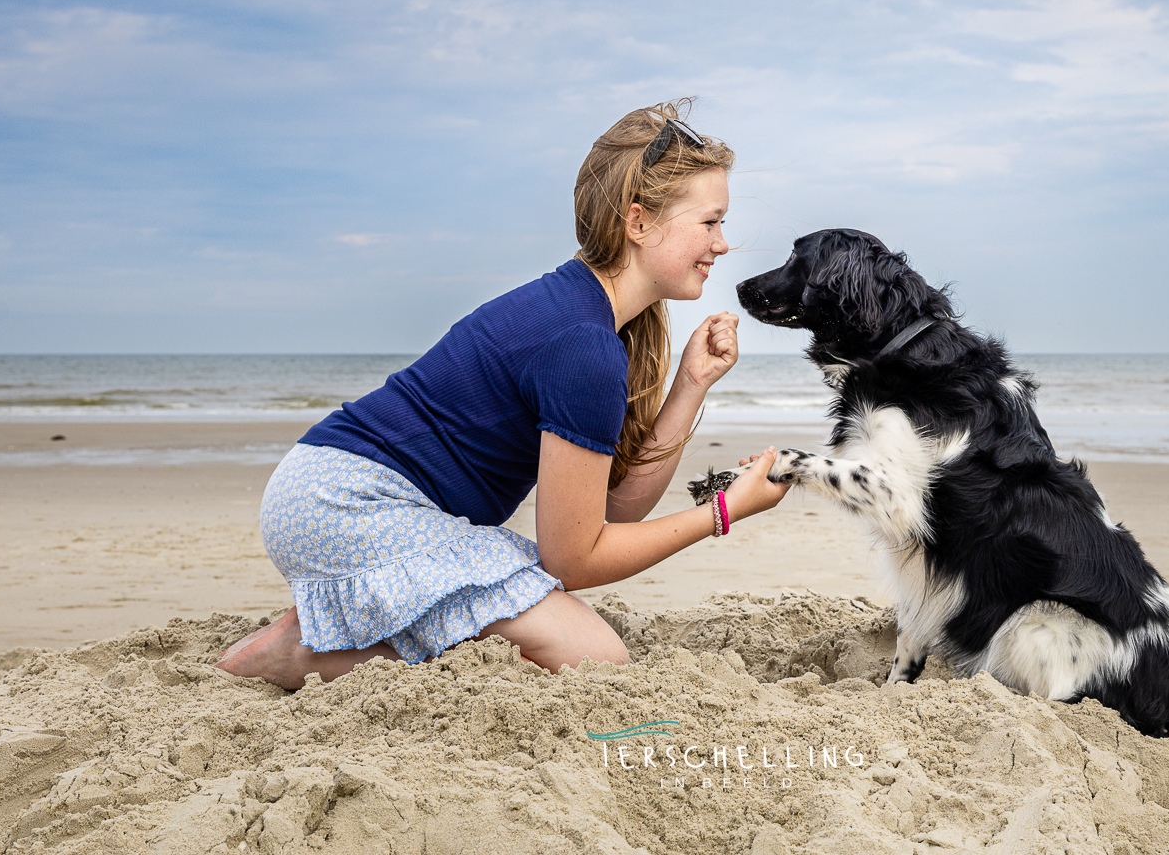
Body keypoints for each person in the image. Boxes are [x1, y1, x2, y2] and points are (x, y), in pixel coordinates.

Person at [217, 101, 790, 689]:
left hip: (328, 491)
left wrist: (690, 384)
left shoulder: (584, 316)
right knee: (593, 653)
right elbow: (575, 559)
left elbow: (613, 512)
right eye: (710, 221)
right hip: (345, 503)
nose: (722, 244)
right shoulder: (583, 344)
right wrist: (723, 512)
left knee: (565, 628)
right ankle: (298, 653)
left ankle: (346, 630)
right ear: (638, 222)